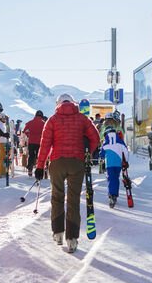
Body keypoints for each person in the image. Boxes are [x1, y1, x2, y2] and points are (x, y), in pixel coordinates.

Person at [34, 94, 100, 253]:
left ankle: (58, 233)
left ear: (58, 104)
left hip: (57, 162)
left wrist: (40, 166)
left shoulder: (52, 119)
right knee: (73, 199)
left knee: (57, 196)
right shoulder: (83, 119)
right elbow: (96, 138)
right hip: (77, 163)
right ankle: (72, 239)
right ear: (73, 103)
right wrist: (87, 153)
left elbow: (45, 145)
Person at [99, 122, 129, 208]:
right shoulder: (120, 141)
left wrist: (101, 157)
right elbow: (126, 151)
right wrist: (126, 161)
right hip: (118, 164)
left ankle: (112, 195)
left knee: (111, 178)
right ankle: (114, 194)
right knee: (116, 178)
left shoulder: (106, 142)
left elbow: (102, 153)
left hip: (110, 164)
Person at [23, 110, 45, 174]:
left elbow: (25, 131)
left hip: (31, 141)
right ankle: (39, 169)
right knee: (39, 156)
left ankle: (30, 169)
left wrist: (28, 135)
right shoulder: (44, 123)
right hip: (40, 142)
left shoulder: (30, 122)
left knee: (31, 155)